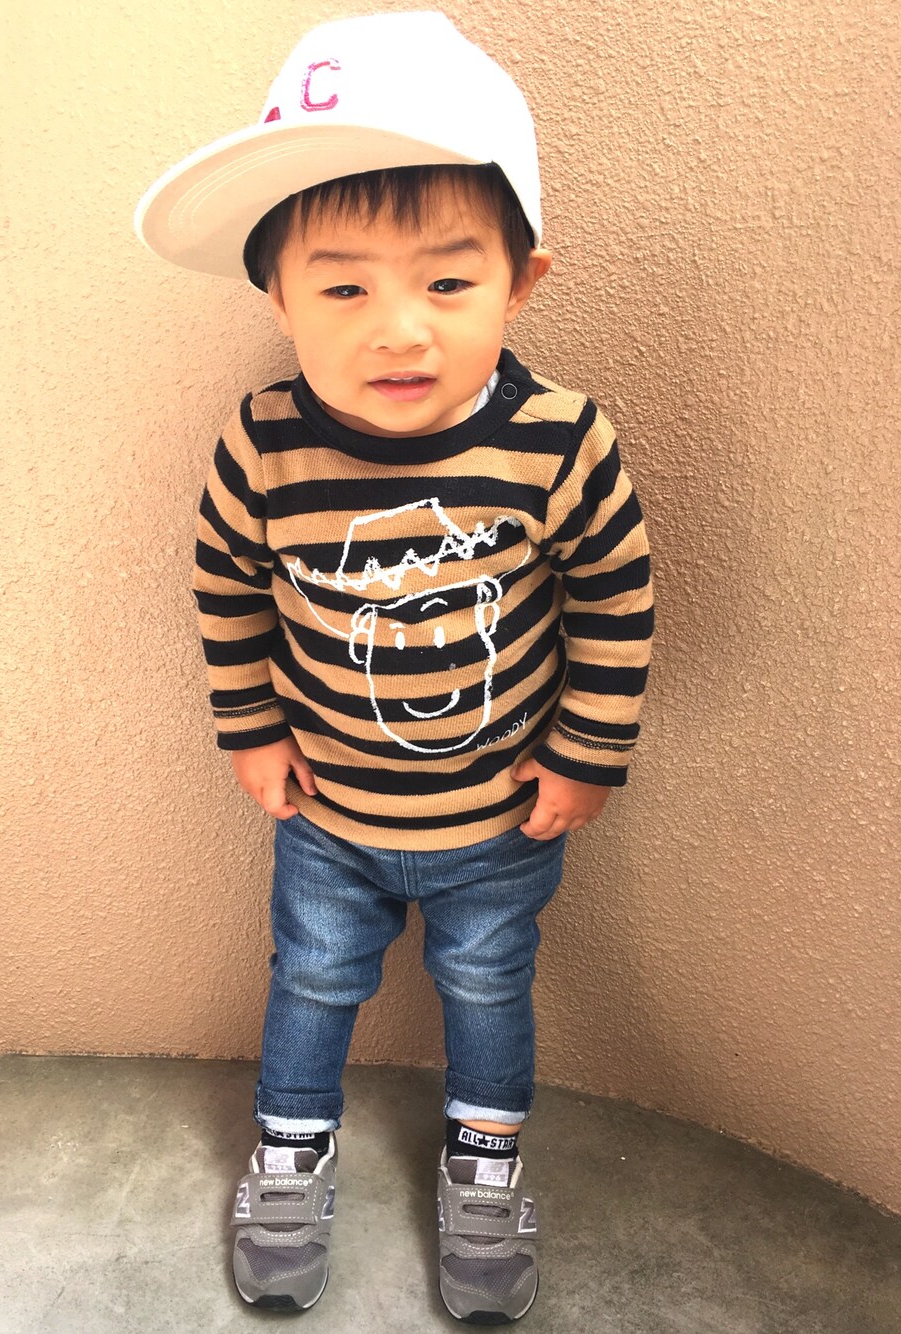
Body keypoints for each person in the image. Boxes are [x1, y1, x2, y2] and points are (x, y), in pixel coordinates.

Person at [134, 11, 653, 1323]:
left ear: (521, 281)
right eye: (345, 288)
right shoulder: (264, 447)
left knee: (489, 985)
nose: (398, 332)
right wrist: (252, 730)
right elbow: (226, 590)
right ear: (278, 295)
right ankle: (288, 1150)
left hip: (499, 820)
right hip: (330, 819)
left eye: (448, 283)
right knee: (311, 981)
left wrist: (587, 753)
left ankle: (487, 1160)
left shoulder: (558, 444)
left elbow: (615, 595)